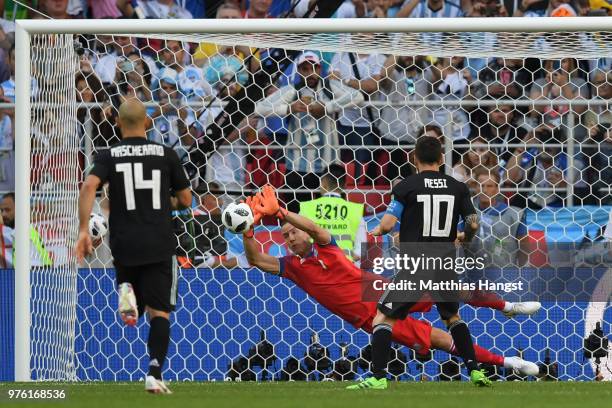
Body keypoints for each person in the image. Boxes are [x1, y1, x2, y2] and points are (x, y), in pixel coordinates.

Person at [241, 186, 539, 380]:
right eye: (285, 236)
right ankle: (509, 363)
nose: (290, 239)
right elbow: (256, 260)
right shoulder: (293, 267)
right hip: (372, 319)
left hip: (382, 290)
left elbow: (317, 228)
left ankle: (508, 306)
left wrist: (281, 211)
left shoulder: (326, 246)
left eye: (293, 232)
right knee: (439, 340)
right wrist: (247, 229)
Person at [75, 99, 192, 394]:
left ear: (118, 123)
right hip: (159, 243)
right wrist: (162, 200)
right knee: (160, 313)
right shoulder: (165, 154)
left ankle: (128, 292)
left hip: (124, 243)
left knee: (134, 293)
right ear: (147, 122)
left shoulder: (109, 154)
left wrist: (82, 230)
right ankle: (154, 371)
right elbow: (186, 200)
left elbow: (89, 186)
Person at [354, 136, 490, 389]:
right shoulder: (458, 187)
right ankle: (475, 372)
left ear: (414, 159)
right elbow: (472, 222)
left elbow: (388, 224)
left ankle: (378, 378)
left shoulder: (406, 186)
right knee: (452, 318)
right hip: (446, 262)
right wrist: (463, 237)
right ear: (441, 159)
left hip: (416, 262)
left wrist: (374, 233)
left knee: (382, 319)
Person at [254, 51, 363, 213]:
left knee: (330, 217)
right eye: (305, 69)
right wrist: (288, 108)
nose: (310, 73)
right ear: (298, 70)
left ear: (320, 69)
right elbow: (259, 108)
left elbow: (358, 97)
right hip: (298, 165)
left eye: (314, 68)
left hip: (329, 163)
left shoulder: (330, 87)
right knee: (298, 216)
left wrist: (327, 107)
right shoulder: (291, 91)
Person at [299, 164, 366, 261]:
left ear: (322, 183)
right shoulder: (354, 210)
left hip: (314, 268)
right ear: (345, 186)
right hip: (344, 269)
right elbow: (361, 251)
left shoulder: (307, 208)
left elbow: (297, 244)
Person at [1, 192, 52, 267]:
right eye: (2, 210)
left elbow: (34, 269)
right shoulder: (22, 232)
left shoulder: (24, 235)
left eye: (7, 210)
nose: (3, 214)